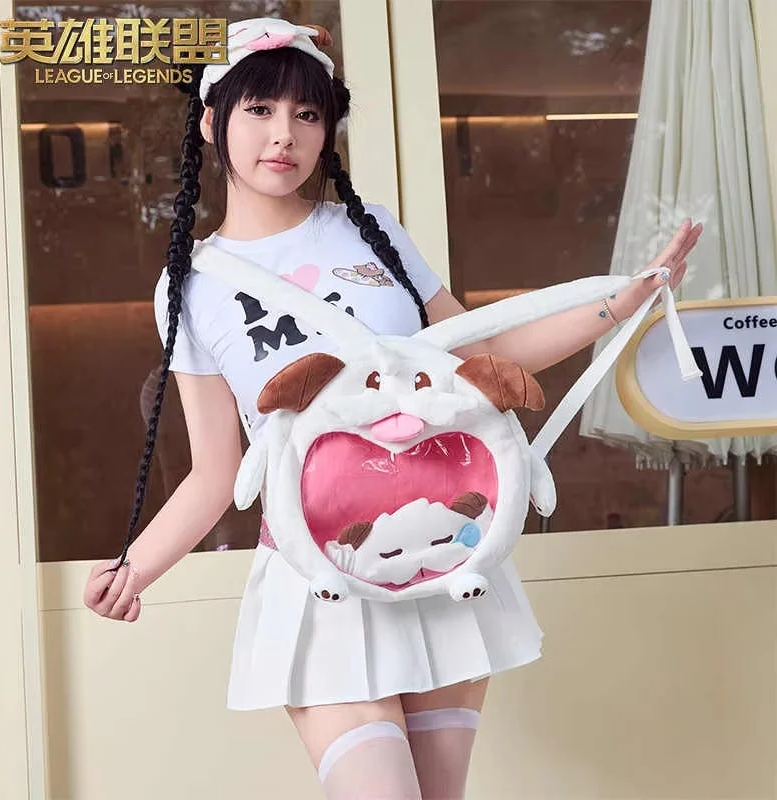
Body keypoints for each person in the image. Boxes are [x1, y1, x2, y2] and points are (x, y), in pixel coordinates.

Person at [83, 18, 702, 800]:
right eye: (260, 110)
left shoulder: (373, 234)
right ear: (211, 122)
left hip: (436, 547)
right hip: (321, 570)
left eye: (308, 113)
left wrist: (621, 303)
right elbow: (215, 473)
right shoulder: (192, 286)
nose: (284, 134)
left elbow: (485, 356)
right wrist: (134, 569)